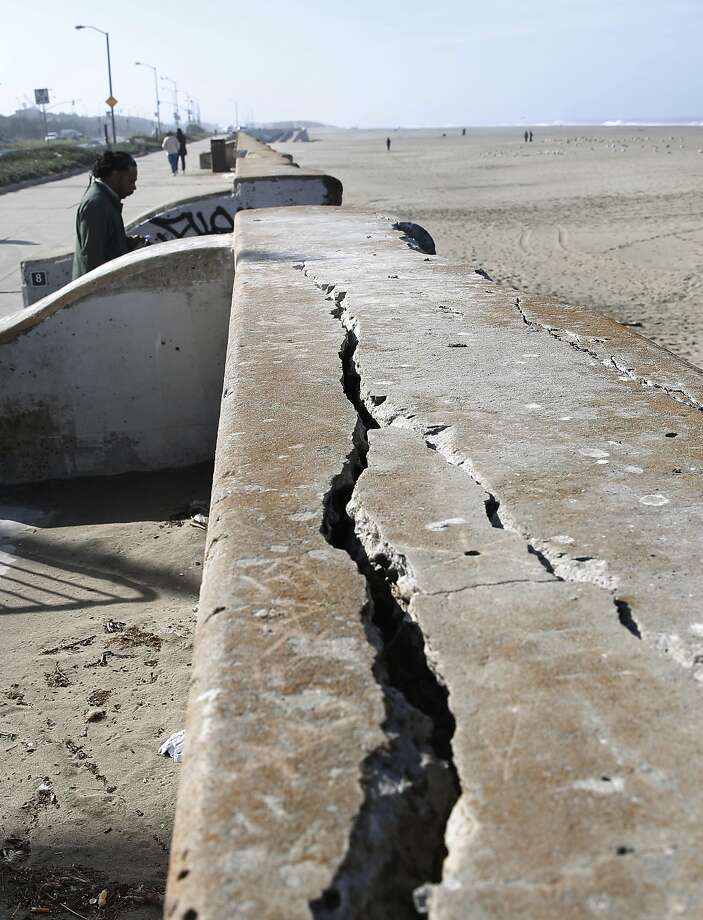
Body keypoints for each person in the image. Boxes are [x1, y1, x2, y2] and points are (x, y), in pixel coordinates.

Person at [72, 151, 146, 280]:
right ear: (115, 176)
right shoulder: (96, 204)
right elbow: (92, 258)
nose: (134, 187)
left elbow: (105, 243)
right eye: (130, 181)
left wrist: (125, 244)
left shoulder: (106, 200)